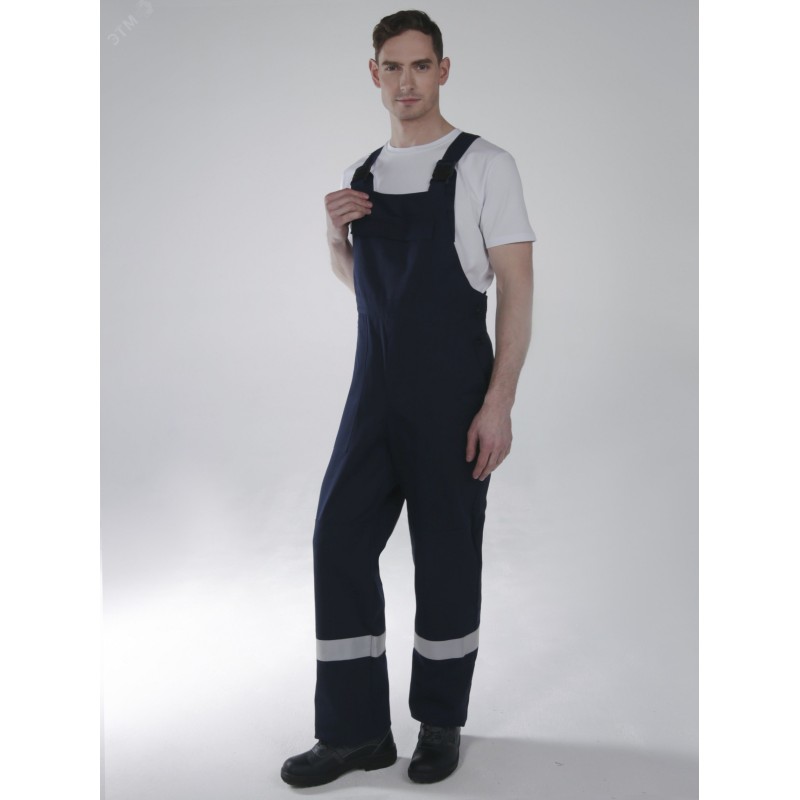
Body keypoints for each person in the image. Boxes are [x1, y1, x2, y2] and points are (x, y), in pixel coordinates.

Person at [281, 9, 535, 788]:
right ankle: (354, 733)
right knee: (338, 540)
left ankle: (440, 723)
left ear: (443, 70)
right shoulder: (362, 171)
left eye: (421, 65)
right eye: (392, 67)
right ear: (374, 74)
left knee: (446, 555)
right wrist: (335, 240)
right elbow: (367, 292)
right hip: (373, 392)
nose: (407, 82)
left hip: (453, 395)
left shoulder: (485, 165)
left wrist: (498, 402)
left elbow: (517, 290)